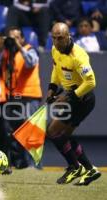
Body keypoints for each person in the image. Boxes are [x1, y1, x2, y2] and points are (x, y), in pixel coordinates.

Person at [46, 22, 101, 186]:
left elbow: (91, 82)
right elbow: (57, 70)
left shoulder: (79, 55)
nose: (56, 42)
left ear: (68, 36)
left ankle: (75, 167)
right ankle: (89, 170)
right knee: (63, 136)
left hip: (82, 99)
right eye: (54, 38)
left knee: (53, 131)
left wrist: (69, 97)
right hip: (72, 96)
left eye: (60, 38)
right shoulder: (55, 50)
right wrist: (52, 88)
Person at [0, 26, 43, 169]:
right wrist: (0, 45)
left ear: (22, 39)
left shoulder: (29, 49)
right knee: (14, 132)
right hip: (14, 97)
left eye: (17, 37)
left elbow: (31, 62)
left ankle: (34, 166)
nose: (14, 40)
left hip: (30, 96)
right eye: (11, 37)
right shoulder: (6, 54)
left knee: (32, 131)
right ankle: (20, 164)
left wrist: (18, 46)